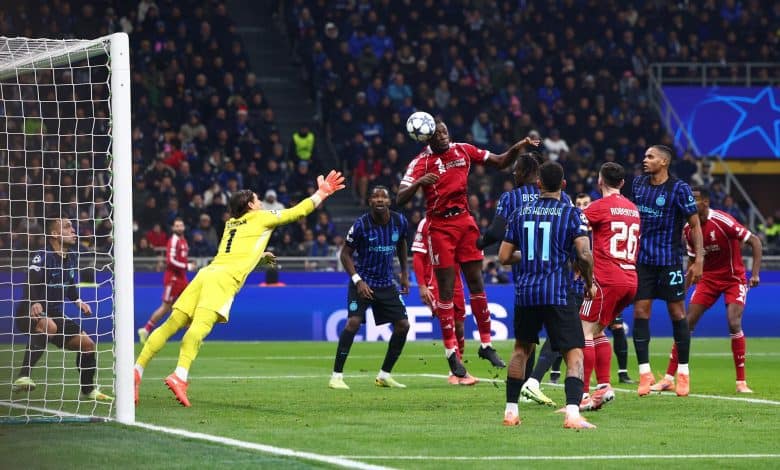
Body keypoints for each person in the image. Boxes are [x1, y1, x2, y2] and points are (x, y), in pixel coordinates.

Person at [134, 170, 346, 407]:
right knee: (199, 328)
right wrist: (321, 193)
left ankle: (137, 370)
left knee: (171, 323)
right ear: (250, 205)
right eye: (257, 200)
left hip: (207, 274)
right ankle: (179, 375)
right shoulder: (260, 217)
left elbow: (237, 253)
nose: (261, 203)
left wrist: (259, 257)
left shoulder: (230, 224)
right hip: (224, 279)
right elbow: (297, 212)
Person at [398, 118, 539, 379]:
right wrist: (420, 184)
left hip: (464, 221)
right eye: (437, 133)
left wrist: (518, 146)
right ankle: (451, 353)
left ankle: (486, 345)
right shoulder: (420, 163)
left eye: (445, 131)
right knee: (448, 291)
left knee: (477, 282)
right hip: (439, 227)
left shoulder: (462, 149)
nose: (442, 135)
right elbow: (399, 198)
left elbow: (499, 162)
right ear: (426, 136)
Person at [498, 161, 596, 429]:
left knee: (521, 350)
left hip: (526, 293)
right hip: (558, 293)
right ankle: (573, 415)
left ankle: (510, 412)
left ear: (538, 183)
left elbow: (504, 257)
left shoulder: (519, 212)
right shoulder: (571, 213)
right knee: (574, 354)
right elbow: (584, 255)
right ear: (563, 185)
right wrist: (589, 282)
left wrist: (530, 254)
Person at [477, 151, 565, 406]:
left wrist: (478, 242)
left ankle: (522, 391)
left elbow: (495, 232)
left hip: (525, 277)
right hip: (556, 275)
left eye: (516, 170)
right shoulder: (560, 197)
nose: (513, 174)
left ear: (527, 172)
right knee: (560, 335)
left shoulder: (511, 198)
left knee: (526, 340)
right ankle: (534, 383)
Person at [654, 186, 762, 394]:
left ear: (705, 203)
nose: (689, 203)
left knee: (733, 321)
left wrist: (755, 273)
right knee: (686, 324)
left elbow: (755, 241)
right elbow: (694, 262)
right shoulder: (688, 229)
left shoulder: (723, 221)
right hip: (709, 279)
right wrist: (683, 289)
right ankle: (668, 378)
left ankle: (741, 382)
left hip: (733, 278)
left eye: (694, 200)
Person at [629, 145, 703, 397]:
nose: (645, 159)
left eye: (650, 156)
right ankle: (644, 373)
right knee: (641, 311)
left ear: (664, 162)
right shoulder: (638, 184)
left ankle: (683, 372)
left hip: (670, 259)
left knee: (677, 312)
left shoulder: (679, 189)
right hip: (643, 260)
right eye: (645, 155)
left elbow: (694, 224)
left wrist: (699, 258)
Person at [12, 218, 112, 401]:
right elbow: (30, 279)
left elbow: (70, 286)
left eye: (73, 227)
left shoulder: (72, 256)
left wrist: (78, 301)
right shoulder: (43, 254)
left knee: (88, 345)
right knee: (49, 325)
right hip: (29, 310)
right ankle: (23, 376)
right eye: (67, 227)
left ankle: (88, 390)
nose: (73, 230)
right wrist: (34, 301)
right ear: (54, 234)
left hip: (55, 314)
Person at [329, 186, 410, 389]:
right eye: (375, 196)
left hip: (385, 283)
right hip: (362, 282)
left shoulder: (400, 221)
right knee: (353, 323)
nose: (380, 200)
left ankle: (384, 375)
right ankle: (336, 377)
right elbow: (345, 255)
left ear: (390, 201)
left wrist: (405, 274)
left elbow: (401, 244)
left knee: (403, 325)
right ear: (370, 202)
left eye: (384, 196)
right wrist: (358, 280)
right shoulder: (361, 225)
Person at [578, 163, 641, 411]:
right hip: (630, 280)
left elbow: (577, 232)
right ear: (622, 183)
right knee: (599, 331)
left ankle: (581, 395)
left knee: (583, 331)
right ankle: (603, 386)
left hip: (607, 279)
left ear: (599, 181)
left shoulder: (597, 208)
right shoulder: (633, 209)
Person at [411, 217, 477, 385]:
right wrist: (422, 286)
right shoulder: (426, 223)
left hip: (455, 282)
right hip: (435, 282)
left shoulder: (460, 220)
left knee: (460, 325)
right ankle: (459, 373)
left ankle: (457, 370)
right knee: (448, 321)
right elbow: (418, 256)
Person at [137, 218, 193, 344]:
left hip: (182, 278)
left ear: (183, 227)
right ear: (173, 228)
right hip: (173, 278)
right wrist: (187, 266)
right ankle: (146, 330)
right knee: (166, 307)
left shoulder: (183, 241)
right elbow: (170, 260)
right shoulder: (173, 241)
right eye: (176, 226)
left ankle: (191, 335)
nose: (179, 228)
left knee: (188, 304)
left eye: (181, 225)